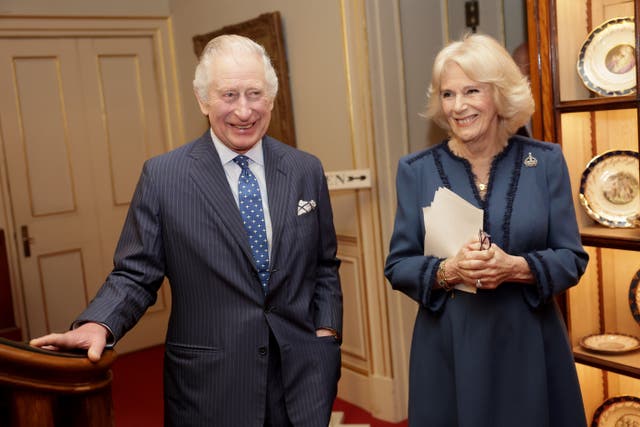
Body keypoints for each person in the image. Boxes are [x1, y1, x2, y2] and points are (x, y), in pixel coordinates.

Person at [30, 34, 343, 427]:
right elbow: (135, 273)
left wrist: (327, 334)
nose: (244, 110)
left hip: (301, 381)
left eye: (254, 93)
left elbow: (324, 264)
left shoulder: (305, 169)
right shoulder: (164, 177)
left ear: (271, 98)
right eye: (229, 95)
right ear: (203, 100)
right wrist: (99, 322)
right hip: (209, 389)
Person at [384, 33, 589, 427]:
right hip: (448, 347)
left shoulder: (545, 162)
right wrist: (450, 271)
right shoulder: (416, 170)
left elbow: (572, 259)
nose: (458, 106)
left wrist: (514, 267)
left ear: (500, 94)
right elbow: (399, 265)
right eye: (447, 94)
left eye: (471, 91)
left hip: (528, 344)